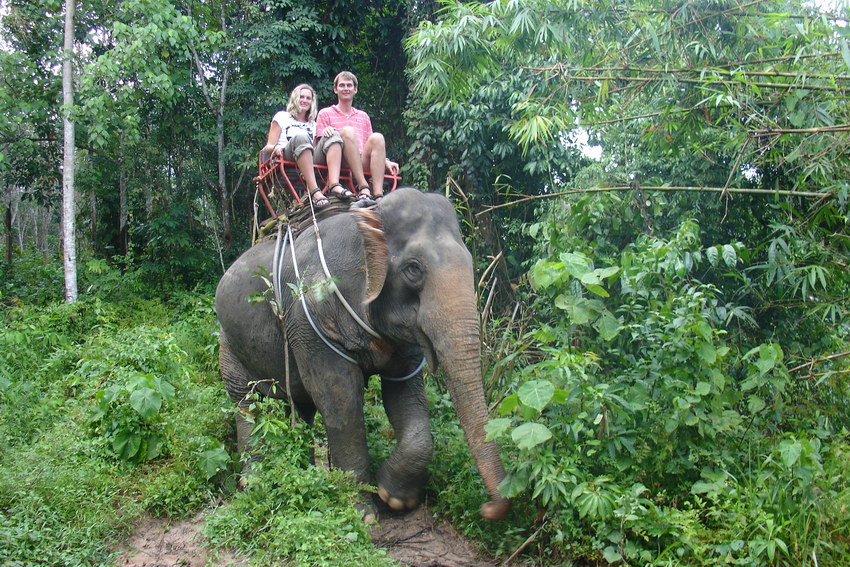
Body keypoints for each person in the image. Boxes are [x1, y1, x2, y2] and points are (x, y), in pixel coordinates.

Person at [263, 83, 354, 208]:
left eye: (308, 98)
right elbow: (269, 145)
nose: (304, 100)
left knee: (333, 134)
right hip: (286, 154)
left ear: (312, 102)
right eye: (301, 97)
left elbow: (316, 148)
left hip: (308, 157)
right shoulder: (282, 117)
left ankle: (334, 184)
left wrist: (328, 132)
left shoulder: (313, 124)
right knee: (301, 137)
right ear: (295, 98)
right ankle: (314, 191)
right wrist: (276, 148)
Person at [315, 71, 399, 202]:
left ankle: (378, 194)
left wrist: (385, 161)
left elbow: (371, 146)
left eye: (349, 85)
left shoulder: (363, 116)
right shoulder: (325, 113)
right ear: (335, 89)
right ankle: (363, 186)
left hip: (360, 160)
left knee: (378, 137)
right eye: (342, 85)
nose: (346, 88)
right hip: (338, 160)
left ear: (355, 89)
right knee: (348, 131)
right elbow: (321, 144)